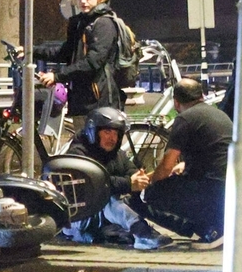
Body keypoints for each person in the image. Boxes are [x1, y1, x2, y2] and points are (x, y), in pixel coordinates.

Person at [131, 78, 242, 248]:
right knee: (182, 184)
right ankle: (218, 225)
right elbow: (217, 151)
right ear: (201, 96)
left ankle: (211, 229)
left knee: (153, 193)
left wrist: (147, 185)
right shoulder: (217, 113)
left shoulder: (185, 119)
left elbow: (166, 166)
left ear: (176, 102)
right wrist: (185, 165)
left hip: (220, 188)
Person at [62, 107, 172, 250]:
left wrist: (138, 180)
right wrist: (128, 183)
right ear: (93, 132)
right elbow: (95, 183)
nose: (112, 138)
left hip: (103, 217)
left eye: (116, 133)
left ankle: (189, 226)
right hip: (79, 217)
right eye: (107, 132)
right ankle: (142, 233)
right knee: (105, 195)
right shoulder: (78, 154)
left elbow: (130, 170)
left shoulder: (116, 153)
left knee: (142, 195)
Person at [33, 0, 123, 121]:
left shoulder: (104, 24)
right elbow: (66, 52)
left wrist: (57, 76)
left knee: (91, 136)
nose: (83, 1)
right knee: (81, 134)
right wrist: (31, 51)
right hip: (80, 98)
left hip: (99, 101)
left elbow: (92, 62)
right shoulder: (79, 23)